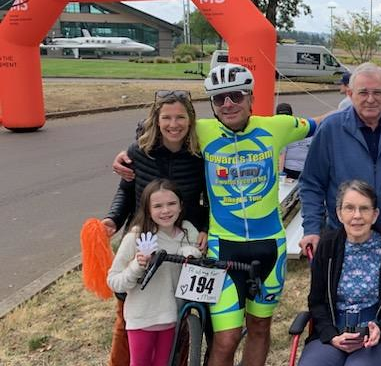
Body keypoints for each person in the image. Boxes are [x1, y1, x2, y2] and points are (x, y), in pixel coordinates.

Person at [113, 63, 327, 366]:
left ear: (251, 97)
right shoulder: (201, 130)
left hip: (271, 248)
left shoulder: (276, 126)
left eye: (236, 96)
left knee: (260, 327)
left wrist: (368, 103)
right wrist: (125, 155)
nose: (228, 104)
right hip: (223, 248)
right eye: (219, 98)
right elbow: (161, 130)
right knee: (226, 337)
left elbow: (321, 122)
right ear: (211, 105)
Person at [103, 90, 208, 366]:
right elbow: (126, 189)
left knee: (179, 315)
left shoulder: (199, 155)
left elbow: (209, 198)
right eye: (167, 118)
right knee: (127, 315)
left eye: (180, 117)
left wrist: (204, 227)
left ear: (191, 119)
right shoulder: (140, 150)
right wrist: (113, 219)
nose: (174, 124)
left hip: (181, 240)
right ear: (156, 119)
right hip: (143, 238)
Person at [298, 62, 381, 256]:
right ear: (350, 94)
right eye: (363, 93)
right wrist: (312, 229)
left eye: (378, 93)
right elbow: (312, 183)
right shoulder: (332, 128)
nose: (371, 99)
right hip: (344, 236)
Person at [299, 180, 381, 366]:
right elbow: (316, 301)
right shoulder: (327, 247)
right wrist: (331, 335)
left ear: (375, 214)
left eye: (364, 208)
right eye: (349, 208)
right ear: (339, 213)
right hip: (335, 332)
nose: (357, 216)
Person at [107, 179, 202, 366]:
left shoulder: (188, 232)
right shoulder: (135, 237)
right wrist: (136, 266)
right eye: (158, 206)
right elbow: (113, 280)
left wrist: (192, 253)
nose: (165, 211)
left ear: (181, 205)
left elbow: (198, 259)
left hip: (173, 318)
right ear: (147, 209)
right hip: (141, 318)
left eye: (171, 204)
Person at [276, 102, 312, 180]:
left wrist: (280, 175)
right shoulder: (305, 126)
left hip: (290, 171)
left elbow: (282, 155)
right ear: (292, 115)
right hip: (306, 169)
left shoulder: (282, 131)